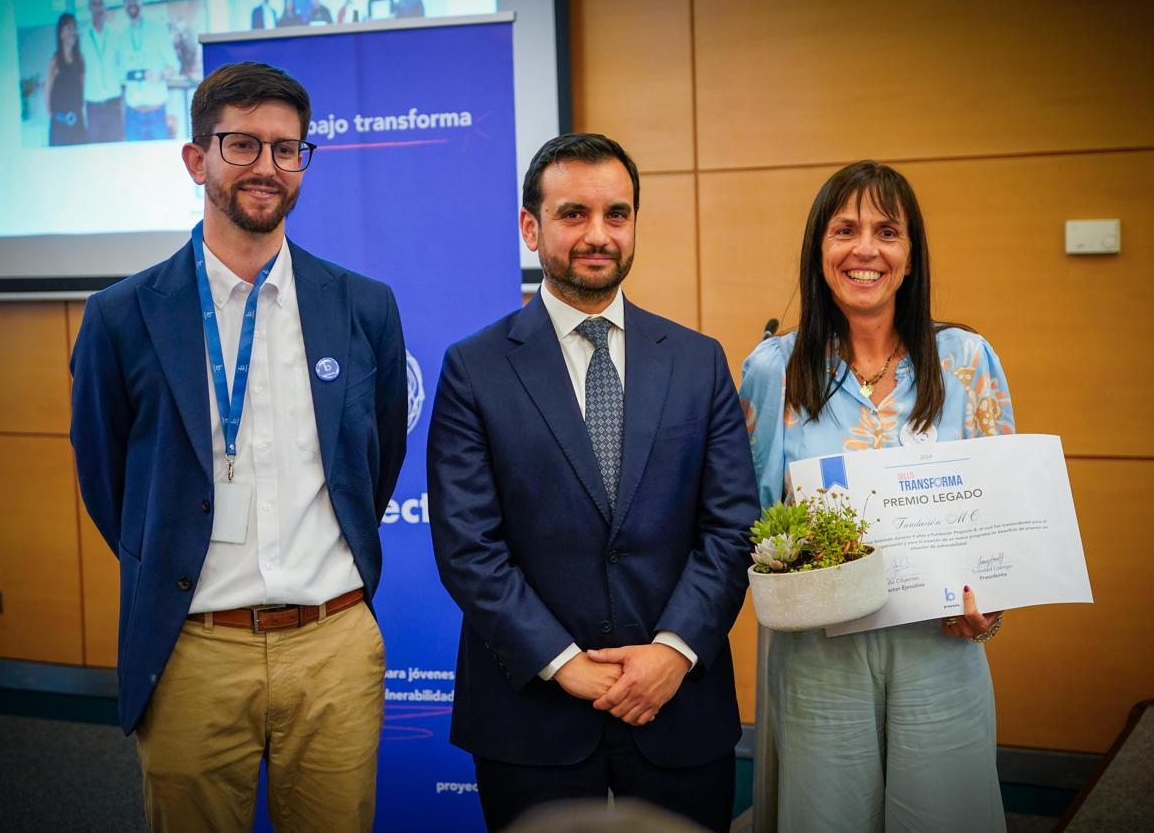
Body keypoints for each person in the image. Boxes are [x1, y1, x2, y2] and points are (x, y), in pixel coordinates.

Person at [70, 61, 407, 832]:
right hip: (193, 648)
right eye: (243, 144)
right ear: (197, 159)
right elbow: (107, 481)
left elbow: (376, 461)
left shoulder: (363, 307)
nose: (268, 166)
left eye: (287, 148)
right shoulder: (122, 316)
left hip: (333, 645)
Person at [427, 133, 759, 833]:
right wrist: (564, 663)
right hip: (531, 711)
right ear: (531, 227)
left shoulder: (699, 361)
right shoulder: (474, 369)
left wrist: (673, 651)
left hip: (677, 704)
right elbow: (467, 545)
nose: (599, 235)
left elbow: (732, 527)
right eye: (573, 213)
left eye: (617, 214)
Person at [738, 160, 1013, 832]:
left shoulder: (967, 360)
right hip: (818, 654)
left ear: (911, 256)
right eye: (845, 230)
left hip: (939, 646)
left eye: (887, 232)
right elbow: (749, 521)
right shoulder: (772, 369)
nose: (866, 249)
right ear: (819, 250)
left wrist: (991, 607)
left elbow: (1003, 522)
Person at [118, 0, 179, 140]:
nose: (132, 1)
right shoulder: (121, 37)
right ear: (124, 3)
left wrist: (160, 75)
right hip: (132, 116)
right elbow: (119, 74)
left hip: (156, 114)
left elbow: (174, 66)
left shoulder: (157, 30)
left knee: (159, 156)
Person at [82, 0, 123, 143]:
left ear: (106, 6)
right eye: (94, 4)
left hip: (114, 104)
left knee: (117, 148)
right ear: (89, 7)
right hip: (92, 107)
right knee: (95, 151)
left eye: (101, 4)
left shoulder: (116, 35)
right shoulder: (82, 37)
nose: (98, 8)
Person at [45, 12, 87, 146]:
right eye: (69, 28)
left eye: (74, 28)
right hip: (60, 126)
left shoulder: (80, 59)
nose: (73, 32)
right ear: (61, 33)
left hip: (77, 123)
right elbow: (47, 93)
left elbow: (82, 89)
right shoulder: (55, 61)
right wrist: (54, 119)